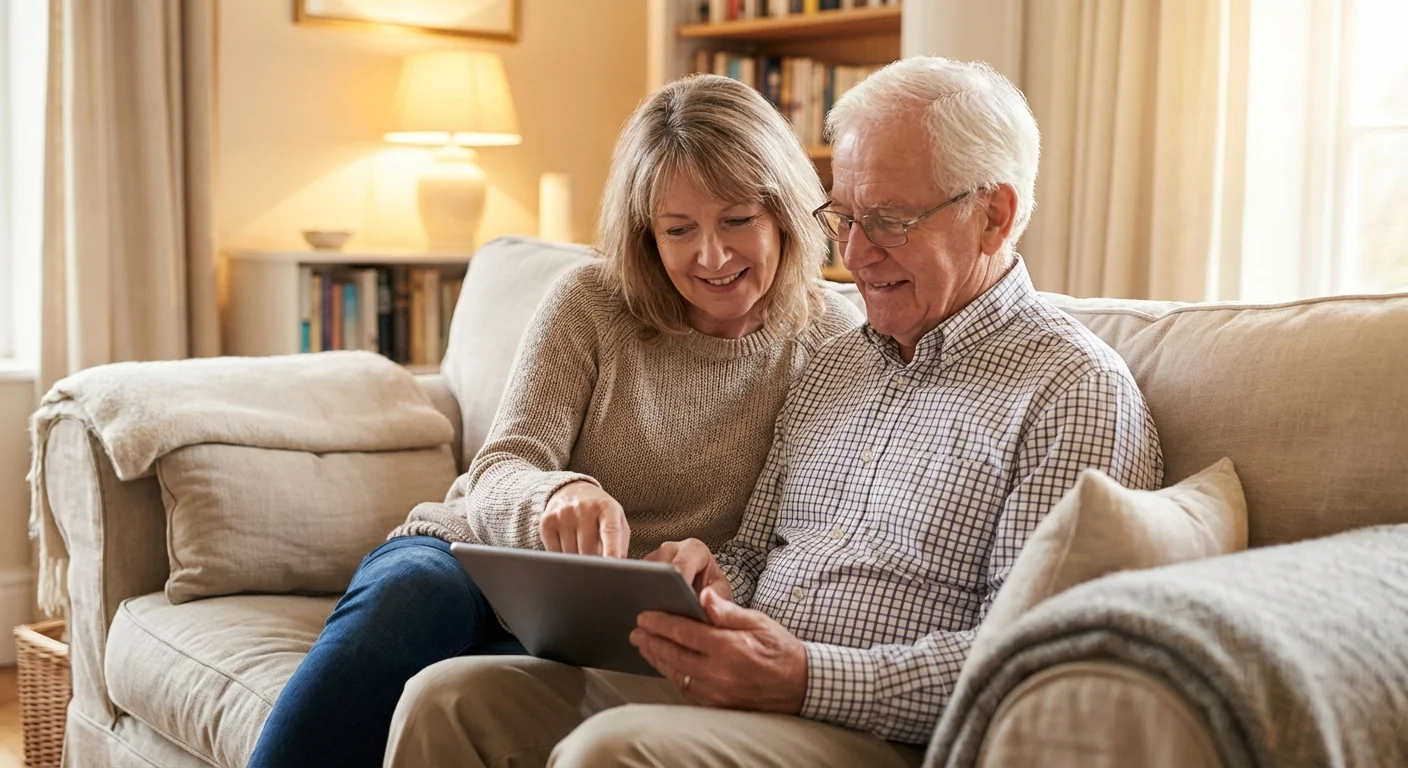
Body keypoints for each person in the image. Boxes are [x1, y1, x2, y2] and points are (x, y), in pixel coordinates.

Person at [381, 57, 1164, 768]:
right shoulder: (841, 358)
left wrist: (804, 677)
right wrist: (711, 580)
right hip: (735, 676)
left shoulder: (1071, 390)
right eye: (844, 218)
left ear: (994, 213)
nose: (853, 257)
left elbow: (1033, 664)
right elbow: (758, 550)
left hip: (871, 727)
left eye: (888, 220)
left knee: (607, 752)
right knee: (448, 700)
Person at [245, 74, 863, 768]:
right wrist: (555, 494)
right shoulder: (592, 302)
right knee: (408, 601)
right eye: (678, 230)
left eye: (737, 220)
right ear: (645, 233)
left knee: (477, 693)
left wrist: (718, 577)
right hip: (482, 558)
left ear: (784, 211)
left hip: (635, 623)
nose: (710, 257)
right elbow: (502, 465)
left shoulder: (838, 340)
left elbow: (803, 536)